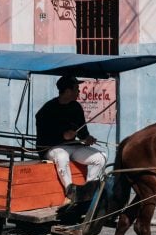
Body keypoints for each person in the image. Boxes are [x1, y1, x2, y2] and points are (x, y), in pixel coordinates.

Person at [36, 75, 107, 204]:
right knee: (62, 156)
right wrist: (62, 135)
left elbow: (82, 131)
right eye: (76, 89)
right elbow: (43, 134)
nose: (79, 92)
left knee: (101, 157)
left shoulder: (76, 107)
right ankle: (70, 192)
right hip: (51, 148)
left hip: (73, 147)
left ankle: (88, 190)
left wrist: (87, 138)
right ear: (68, 91)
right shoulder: (47, 109)